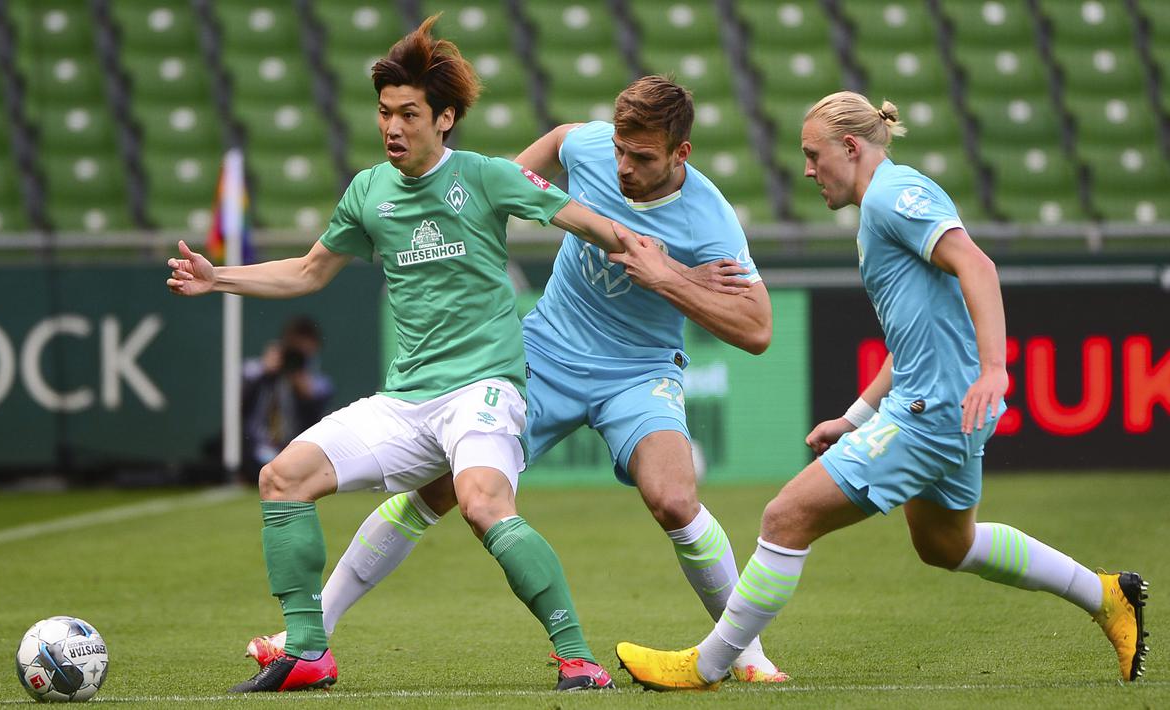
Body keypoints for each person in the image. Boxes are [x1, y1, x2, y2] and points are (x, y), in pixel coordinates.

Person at [245, 76, 789, 683]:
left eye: (642, 158)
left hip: (638, 371)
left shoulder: (711, 220)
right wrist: (483, 195)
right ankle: (311, 628)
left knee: (674, 499)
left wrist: (669, 279)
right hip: (544, 354)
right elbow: (558, 140)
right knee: (438, 487)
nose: (623, 167)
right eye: (618, 150)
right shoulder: (589, 147)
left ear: (680, 154)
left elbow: (759, 330)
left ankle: (747, 652)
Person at [167, 16, 640, 693]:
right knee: (281, 478)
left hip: (483, 390)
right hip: (406, 401)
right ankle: (307, 650)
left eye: (408, 113)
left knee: (481, 504)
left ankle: (577, 658)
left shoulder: (486, 178)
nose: (392, 126)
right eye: (384, 112)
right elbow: (307, 272)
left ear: (444, 118)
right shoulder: (368, 191)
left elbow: (590, 224)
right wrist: (221, 278)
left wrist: (667, 265)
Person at [615, 91, 1148, 690]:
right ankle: (1106, 595)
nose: (809, 170)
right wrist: (856, 416)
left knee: (785, 517)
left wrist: (995, 367)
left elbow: (978, 266)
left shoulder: (895, 197)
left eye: (815, 156)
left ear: (851, 147)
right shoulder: (882, 207)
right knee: (947, 543)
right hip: (938, 408)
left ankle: (707, 666)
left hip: (934, 412)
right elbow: (916, 332)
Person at [241, 316, 334, 479]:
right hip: (253, 448)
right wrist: (265, 372)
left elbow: (316, 419)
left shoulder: (318, 384)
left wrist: (304, 389)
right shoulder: (256, 371)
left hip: (296, 449)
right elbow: (239, 405)